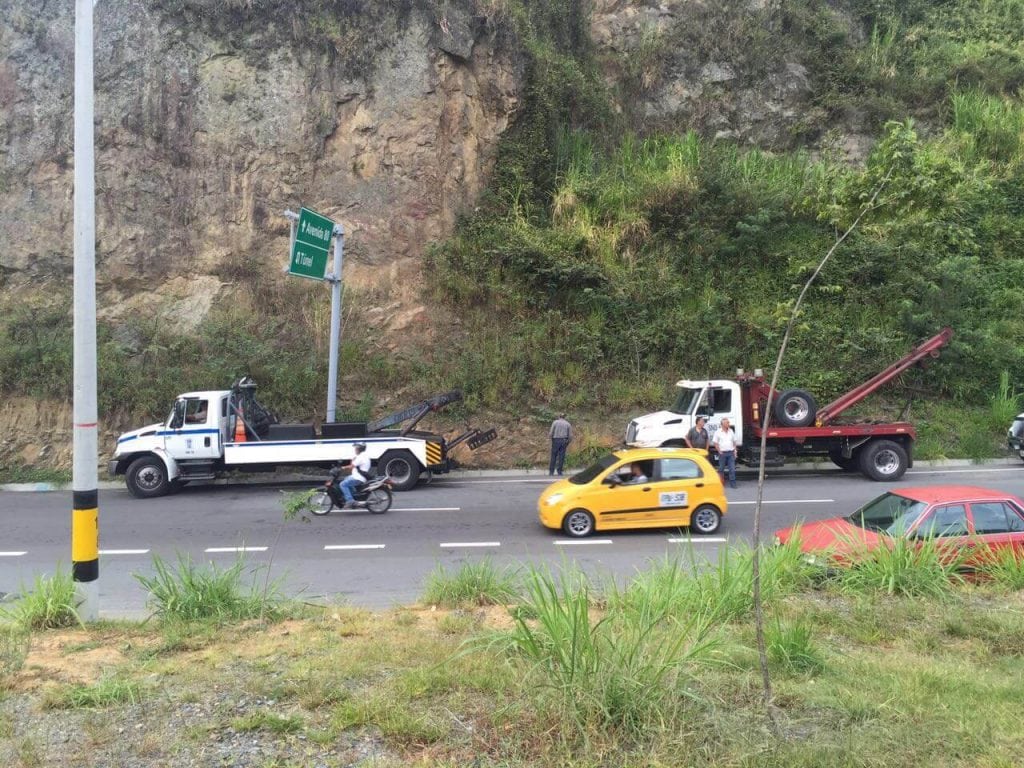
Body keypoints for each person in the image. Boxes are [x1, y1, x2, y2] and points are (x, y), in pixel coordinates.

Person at [340, 442, 372, 509]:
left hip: (358, 478)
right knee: (346, 479)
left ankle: (350, 501)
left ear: (359, 449)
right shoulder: (363, 456)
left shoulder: (361, 457)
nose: (355, 450)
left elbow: (352, 466)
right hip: (357, 476)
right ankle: (354, 496)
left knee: (342, 484)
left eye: (356, 449)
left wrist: (343, 468)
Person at [711, 418, 740, 489]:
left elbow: (734, 442)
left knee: (732, 469)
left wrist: (735, 451)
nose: (729, 424)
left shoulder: (731, 431)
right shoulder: (718, 432)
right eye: (727, 423)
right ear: (723, 424)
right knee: (721, 469)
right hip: (722, 453)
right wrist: (719, 451)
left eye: (728, 422)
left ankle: (733, 483)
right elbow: (715, 442)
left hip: (731, 453)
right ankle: (720, 482)